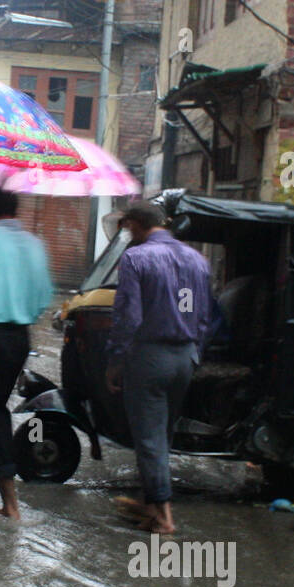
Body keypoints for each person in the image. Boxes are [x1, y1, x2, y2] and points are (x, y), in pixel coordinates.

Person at [105, 202, 213, 535]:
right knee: (161, 435)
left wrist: (115, 361)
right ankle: (151, 504)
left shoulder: (136, 258)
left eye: (127, 229)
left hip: (150, 358)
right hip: (183, 358)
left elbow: (129, 317)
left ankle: (164, 518)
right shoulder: (197, 260)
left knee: (149, 438)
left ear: (137, 225)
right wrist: (194, 354)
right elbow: (205, 317)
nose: (127, 236)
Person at [0, 187, 53, 521]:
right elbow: (44, 297)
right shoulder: (35, 243)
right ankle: (2, 478)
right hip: (20, 338)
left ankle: (10, 503)